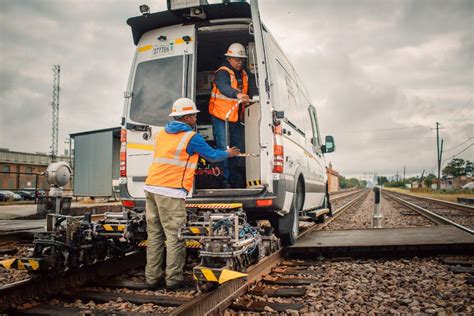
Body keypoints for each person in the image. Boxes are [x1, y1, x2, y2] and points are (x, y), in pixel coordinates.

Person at [144, 98, 240, 290]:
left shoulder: (161, 134)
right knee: (174, 236)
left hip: (151, 187)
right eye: (194, 115)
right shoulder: (191, 137)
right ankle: (173, 280)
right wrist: (228, 153)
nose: (196, 118)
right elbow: (213, 156)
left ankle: (152, 279)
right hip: (170, 191)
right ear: (187, 117)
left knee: (154, 235)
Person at [208, 43, 254, 188]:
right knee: (224, 148)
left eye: (242, 59)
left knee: (236, 148)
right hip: (220, 115)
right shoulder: (222, 72)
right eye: (236, 59)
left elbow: (250, 90)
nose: (239, 62)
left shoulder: (245, 74)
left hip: (234, 117)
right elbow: (224, 87)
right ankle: (224, 180)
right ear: (229, 58)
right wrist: (237, 94)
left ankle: (233, 178)